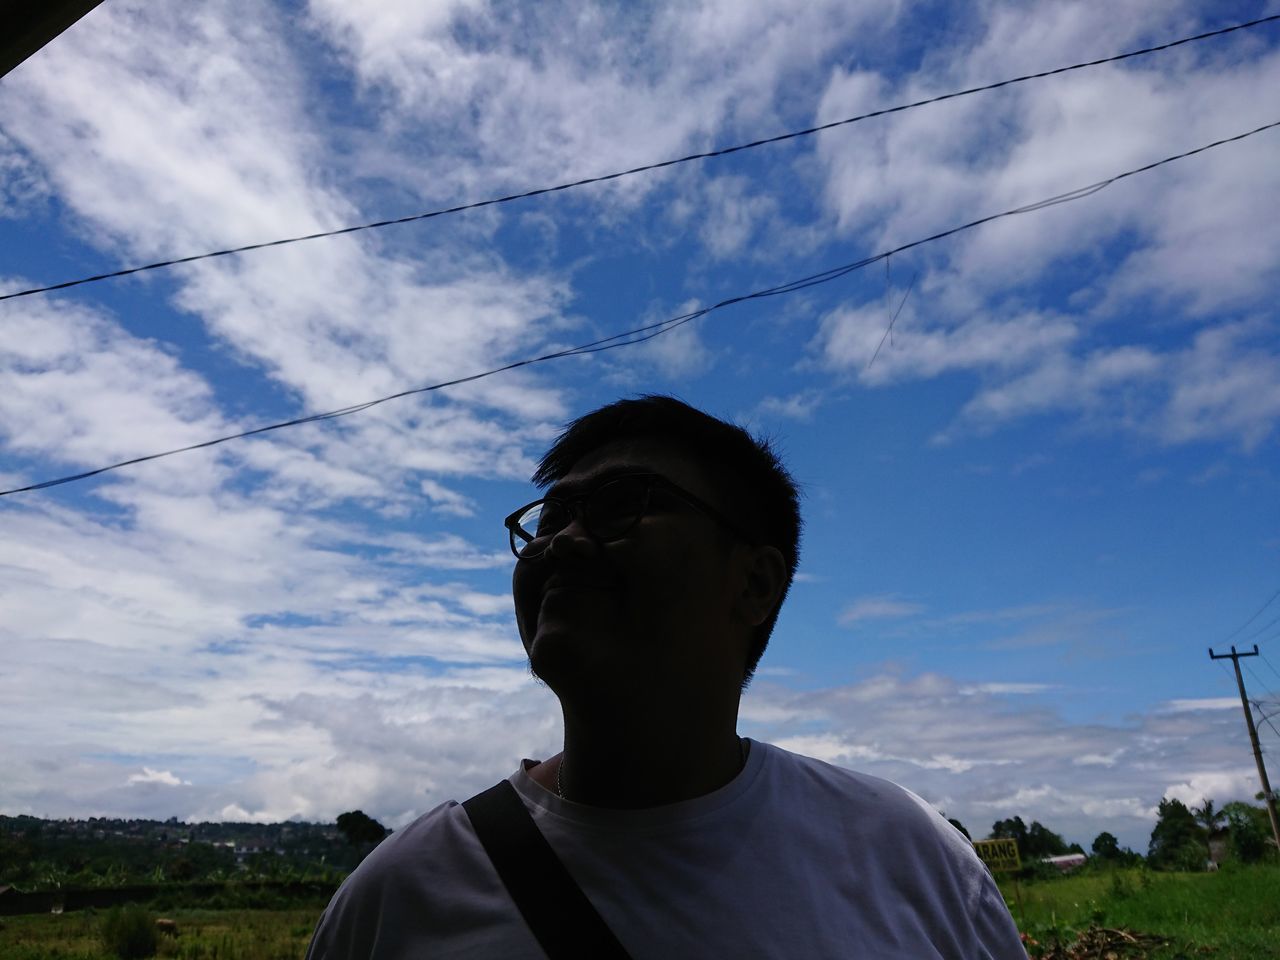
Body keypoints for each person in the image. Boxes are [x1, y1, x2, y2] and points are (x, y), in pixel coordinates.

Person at [306, 395, 1026, 959]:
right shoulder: (401, 894)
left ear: (755, 583)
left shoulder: (908, 853)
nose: (561, 542)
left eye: (623, 505)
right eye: (548, 519)